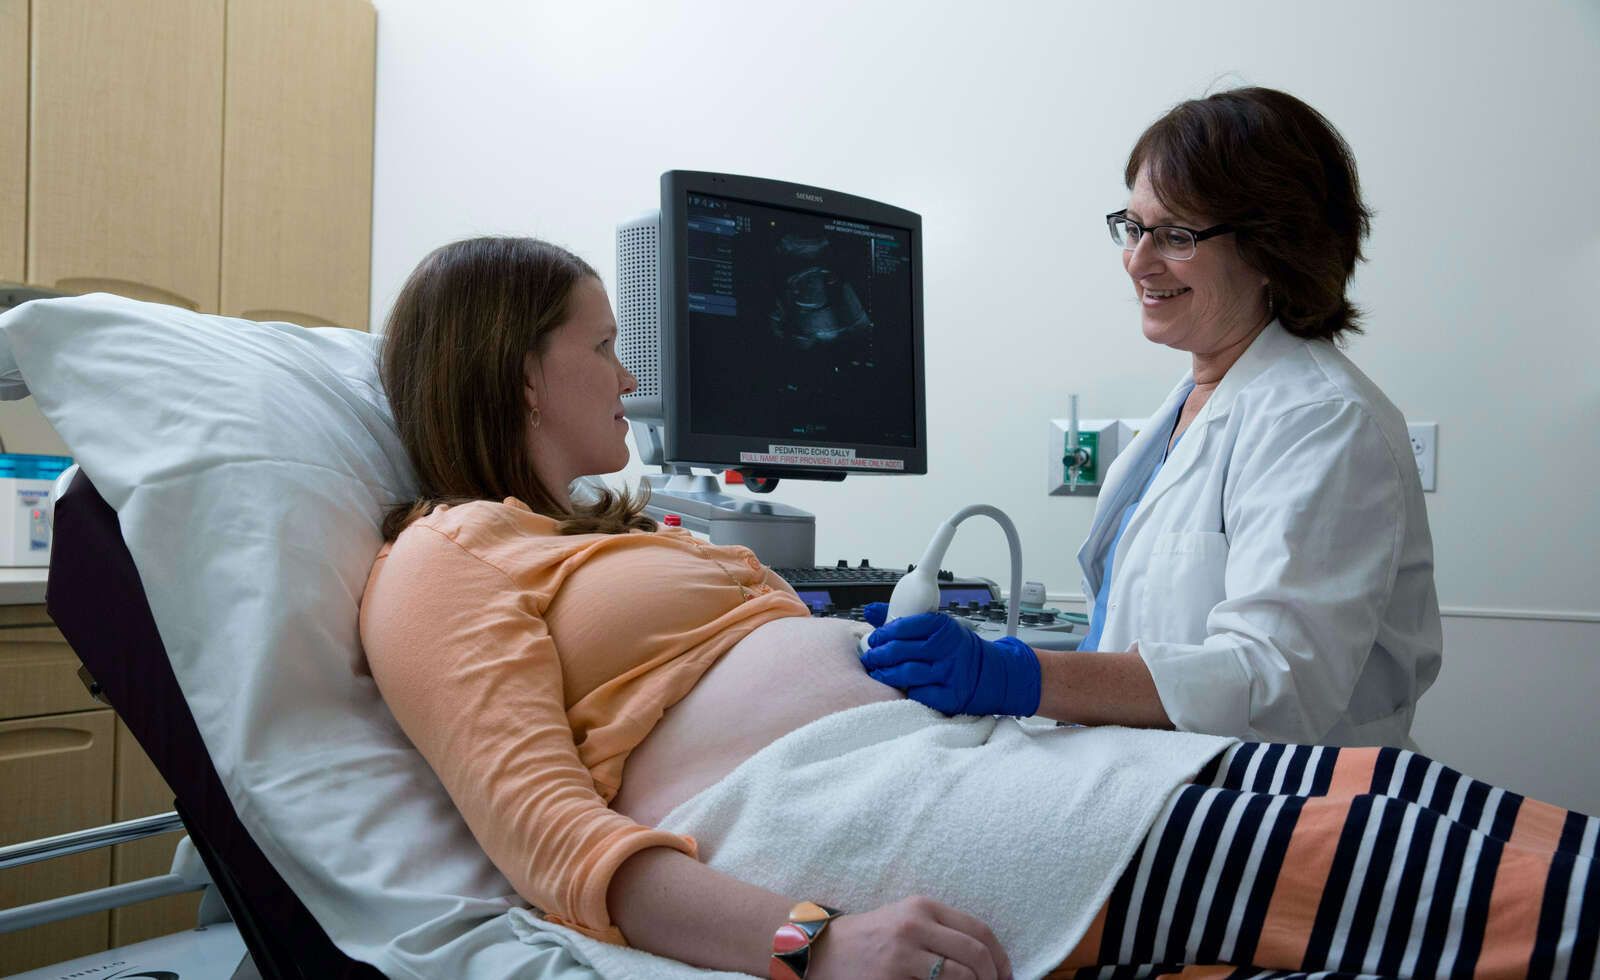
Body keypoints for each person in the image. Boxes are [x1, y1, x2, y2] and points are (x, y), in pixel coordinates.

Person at [360, 236, 1595, 980]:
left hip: (989, 764)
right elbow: (550, 843)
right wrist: (808, 943)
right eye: (603, 343)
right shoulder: (443, 557)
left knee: (1447, 816)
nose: (633, 374)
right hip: (870, 801)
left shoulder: (619, 533)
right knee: (1508, 897)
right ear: (518, 365)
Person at [862, 87, 1442, 748]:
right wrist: (983, 648)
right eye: (1133, 227)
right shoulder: (1192, 407)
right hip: (1154, 778)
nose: (1138, 261)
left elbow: (1273, 680)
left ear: (1272, 247)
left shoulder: (1326, 423)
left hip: (1272, 807)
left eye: (1177, 235)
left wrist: (1012, 674)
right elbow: (1143, 633)